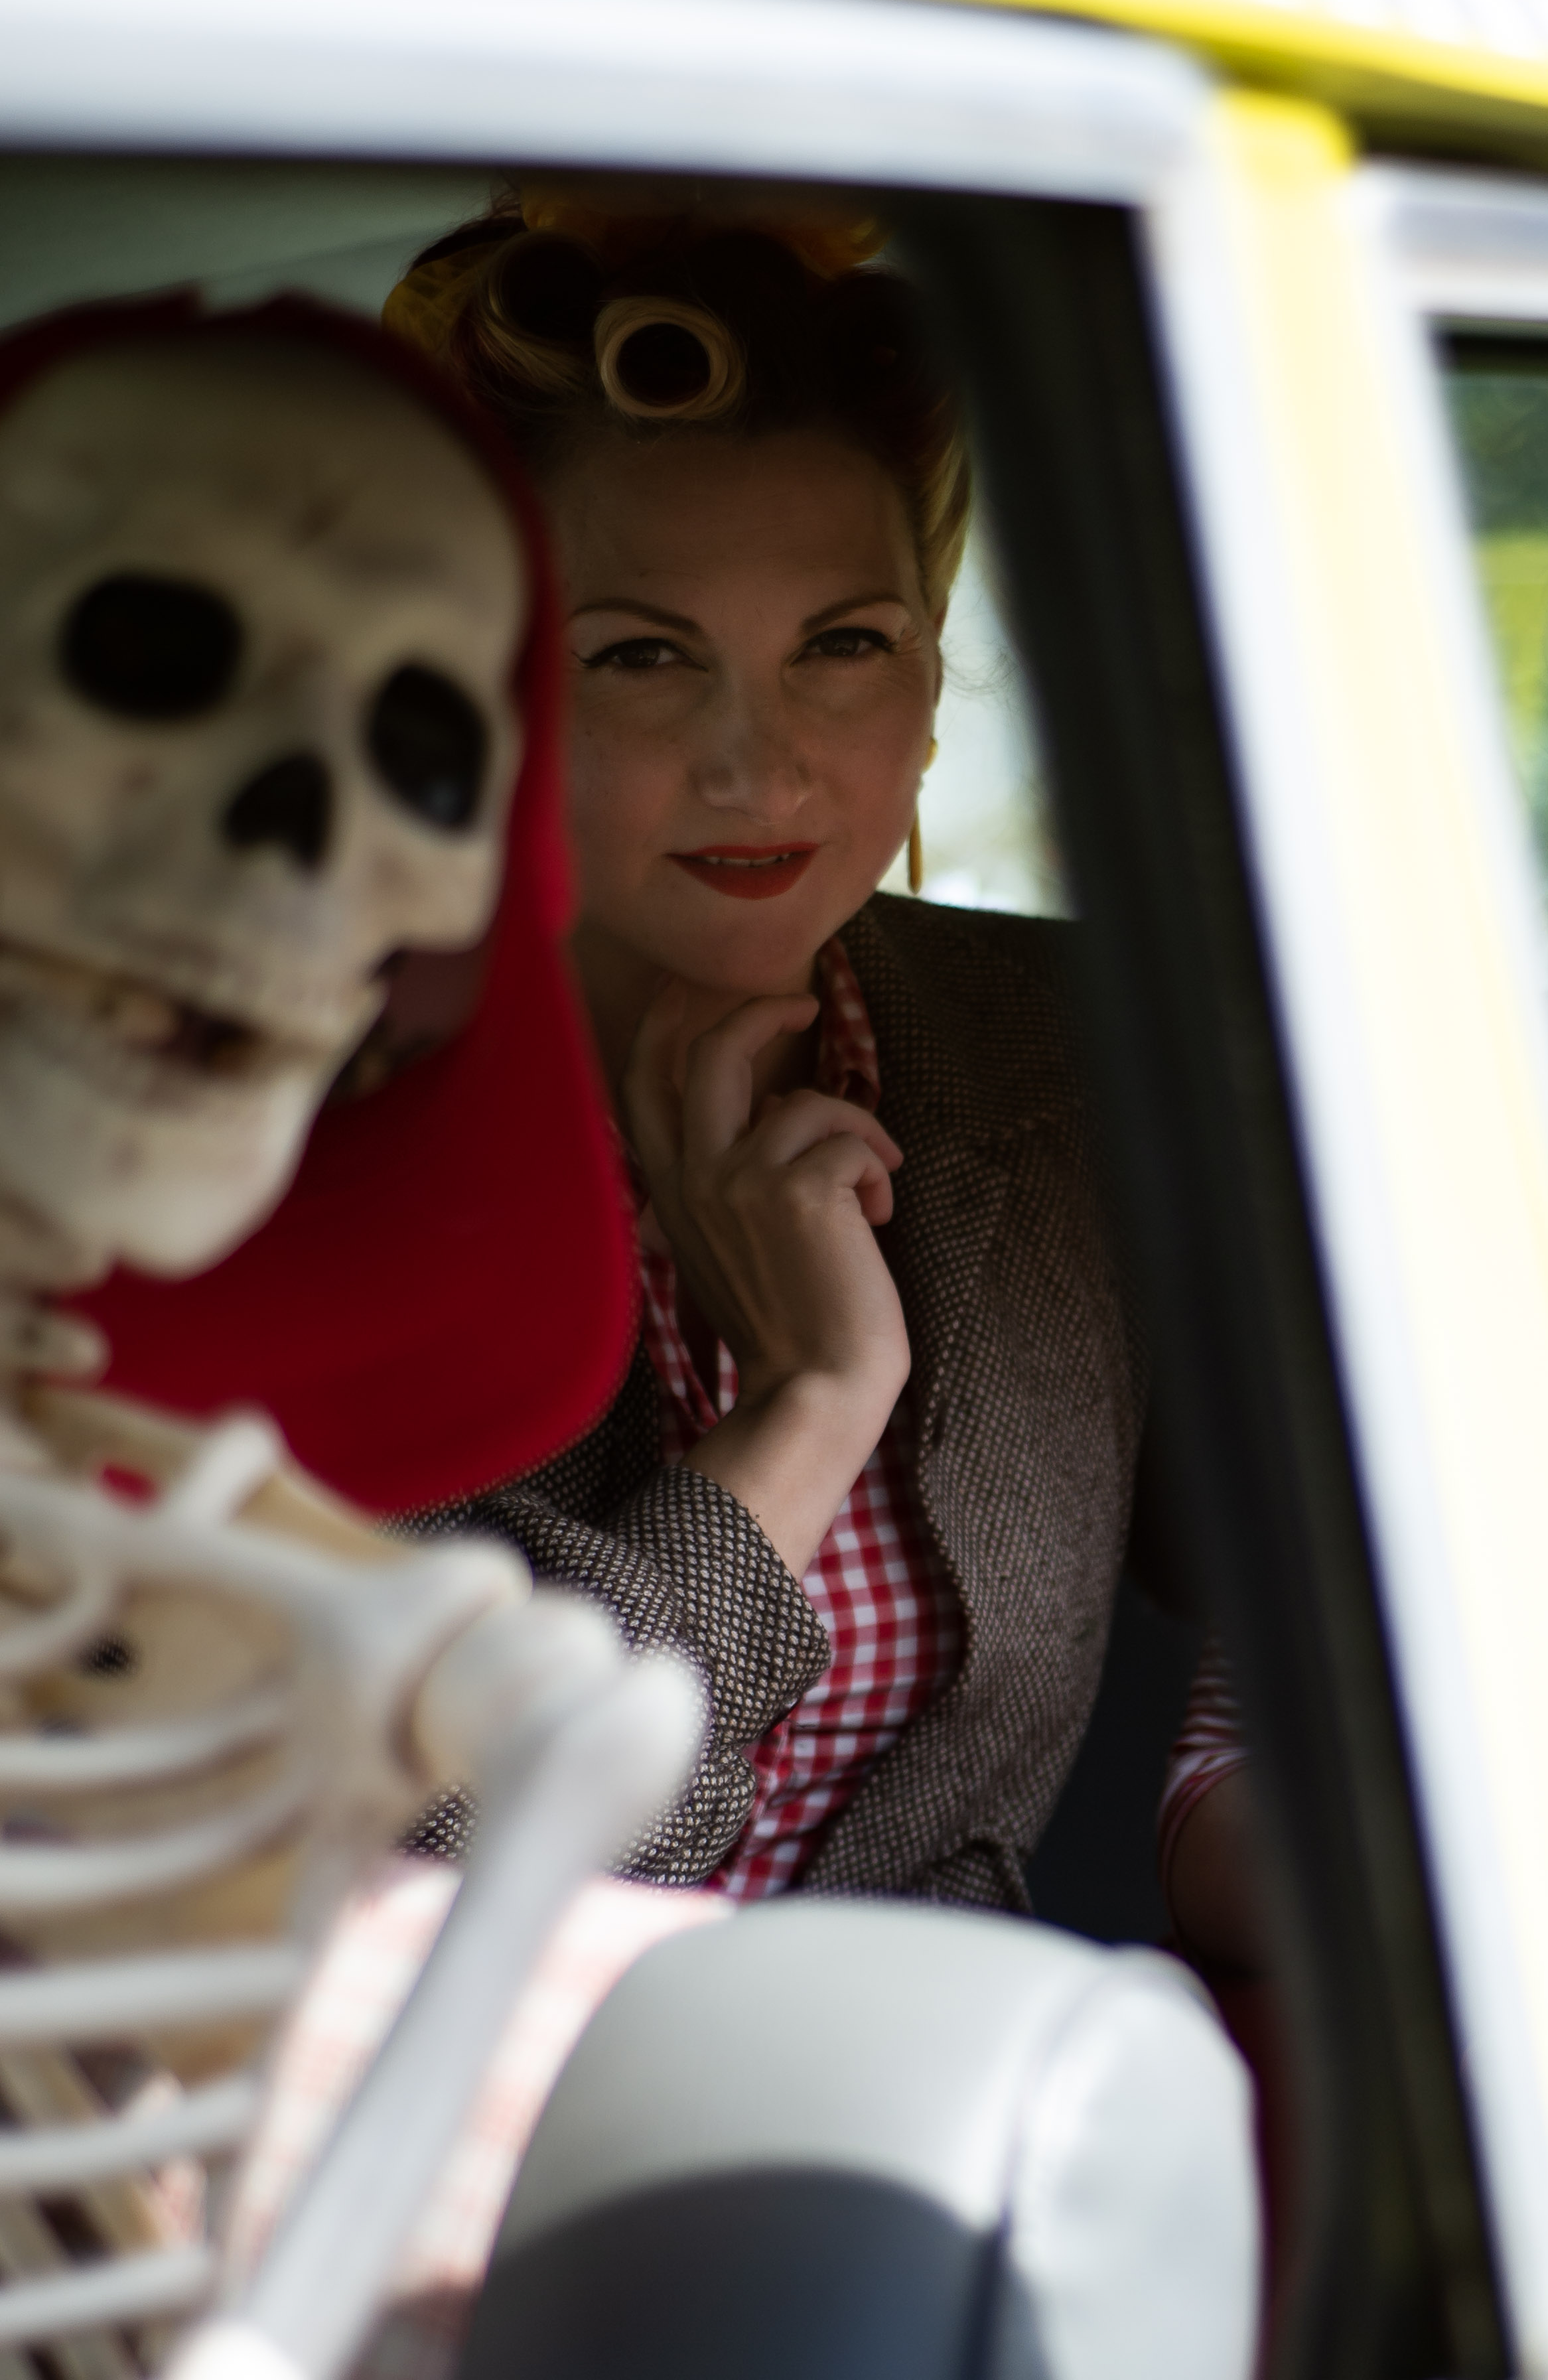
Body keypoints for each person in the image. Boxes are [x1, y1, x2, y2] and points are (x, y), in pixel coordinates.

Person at [383, 193, 1176, 1912]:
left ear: (933, 679)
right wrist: (814, 1404)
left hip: (942, 2062)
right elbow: (446, 1853)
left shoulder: (1065, 1048)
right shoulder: (281, 1133)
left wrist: (1225, 1806)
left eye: (844, 644)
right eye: (641, 657)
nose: (763, 767)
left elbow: (1354, 1561)